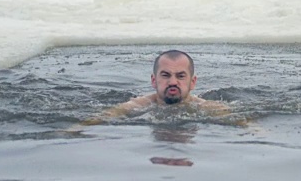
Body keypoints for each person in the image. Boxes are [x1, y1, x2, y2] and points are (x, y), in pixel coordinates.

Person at [80, 50, 230, 125]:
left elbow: (247, 126)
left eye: (180, 76)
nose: (172, 82)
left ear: (193, 82)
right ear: (153, 80)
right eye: (165, 75)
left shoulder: (208, 108)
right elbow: (99, 119)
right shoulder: (137, 105)